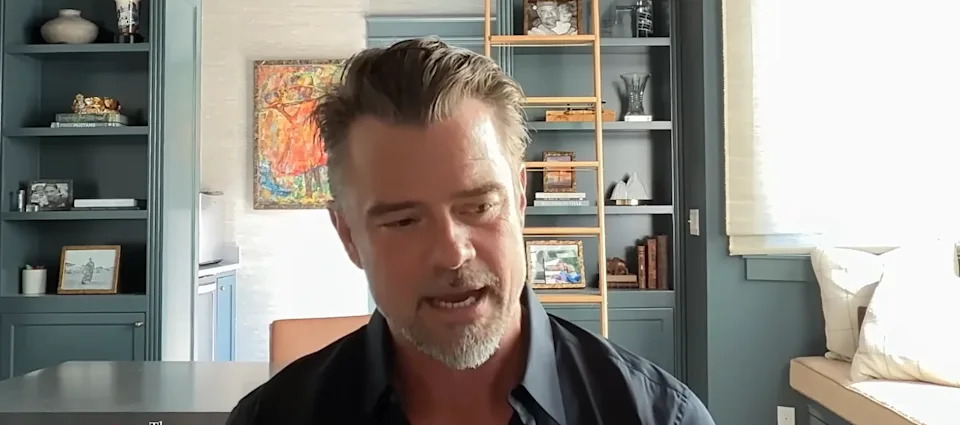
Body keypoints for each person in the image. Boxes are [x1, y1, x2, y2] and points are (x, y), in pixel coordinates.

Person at [225, 37, 715, 425]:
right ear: (349, 235)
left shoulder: (658, 417)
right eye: (403, 220)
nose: (452, 253)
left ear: (519, 201)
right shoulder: (272, 417)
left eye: (479, 206)